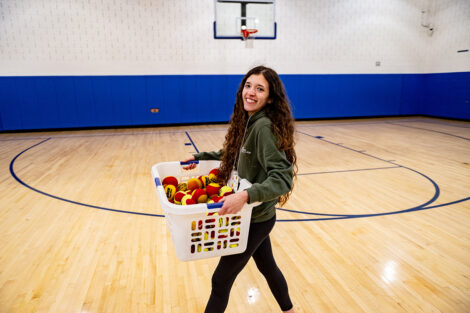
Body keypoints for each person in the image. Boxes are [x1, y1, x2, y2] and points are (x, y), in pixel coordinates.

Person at [182, 65, 297, 313]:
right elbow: (232, 152)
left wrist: (245, 195)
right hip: (256, 217)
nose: (251, 93)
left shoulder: (263, 127)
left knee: (220, 280)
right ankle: (289, 310)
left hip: (254, 219)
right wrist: (200, 157)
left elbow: (282, 178)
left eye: (260, 89)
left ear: (270, 97)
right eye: (248, 86)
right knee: (268, 267)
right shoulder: (249, 121)